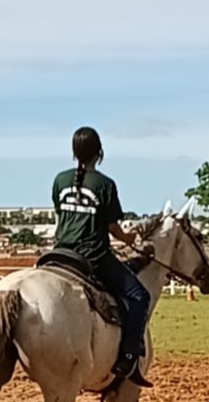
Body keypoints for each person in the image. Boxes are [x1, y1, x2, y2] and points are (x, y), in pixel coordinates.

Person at [51, 126, 152, 388]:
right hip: (93, 256)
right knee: (139, 296)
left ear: (74, 152)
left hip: (60, 253)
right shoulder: (105, 184)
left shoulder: (60, 180)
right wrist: (130, 238)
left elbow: (62, 216)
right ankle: (129, 357)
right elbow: (114, 229)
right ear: (99, 152)